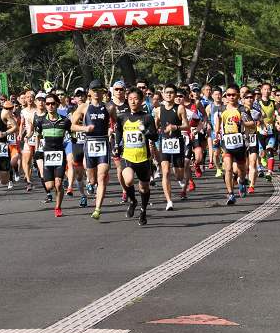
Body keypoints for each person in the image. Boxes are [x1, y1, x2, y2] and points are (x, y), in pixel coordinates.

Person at [71, 80, 118, 220]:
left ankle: (97, 209)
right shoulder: (84, 108)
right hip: (89, 145)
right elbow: (73, 126)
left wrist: (113, 127)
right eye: (93, 89)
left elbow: (115, 121)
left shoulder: (109, 108)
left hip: (103, 144)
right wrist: (84, 128)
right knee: (93, 180)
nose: (96, 92)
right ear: (89, 92)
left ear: (103, 91)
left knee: (102, 177)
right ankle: (90, 182)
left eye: (99, 89)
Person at [114, 87, 158, 226]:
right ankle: (133, 201)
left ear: (141, 100)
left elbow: (155, 137)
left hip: (143, 158)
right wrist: (116, 145)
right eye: (130, 98)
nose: (133, 101)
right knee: (128, 180)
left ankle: (143, 210)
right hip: (127, 156)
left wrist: (144, 131)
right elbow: (119, 133)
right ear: (127, 99)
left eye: (136, 98)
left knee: (144, 188)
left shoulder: (147, 117)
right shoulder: (122, 117)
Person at [213, 84, 255, 205]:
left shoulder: (243, 110)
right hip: (226, 143)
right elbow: (218, 121)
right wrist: (217, 133)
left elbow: (252, 124)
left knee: (241, 171)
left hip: (240, 144)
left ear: (238, 96)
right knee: (228, 169)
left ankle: (242, 182)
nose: (231, 97)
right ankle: (231, 194)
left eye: (233, 95)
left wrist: (242, 122)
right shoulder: (221, 109)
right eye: (228, 95)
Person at [35, 94, 74, 217]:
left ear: (57, 104)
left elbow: (72, 132)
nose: (50, 106)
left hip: (60, 154)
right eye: (48, 104)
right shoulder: (41, 121)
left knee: (58, 184)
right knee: (50, 186)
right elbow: (37, 136)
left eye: (52, 103)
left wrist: (74, 139)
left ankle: (58, 207)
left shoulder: (65, 120)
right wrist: (36, 150)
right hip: (47, 155)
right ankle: (50, 178)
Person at [154, 83, 190, 211]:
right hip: (165, 142)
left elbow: (187, 126)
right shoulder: (159, 110)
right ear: (162, 94)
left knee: (178, 175)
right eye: (166, 92)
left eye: (171, 92)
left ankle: (182, 178)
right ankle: (169, 201)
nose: (168, 94)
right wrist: (157, 128)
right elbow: (157, 124)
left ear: (175, 95)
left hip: (177, 142)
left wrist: (176, 127)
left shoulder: (180, 108)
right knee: (165, 171)